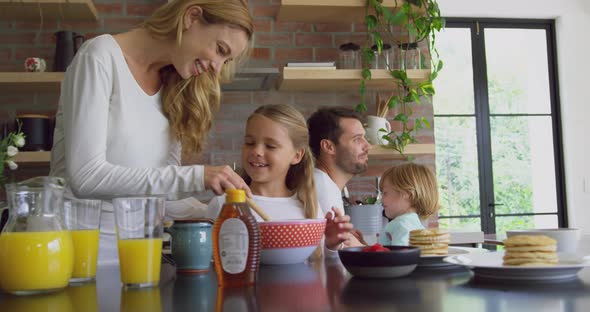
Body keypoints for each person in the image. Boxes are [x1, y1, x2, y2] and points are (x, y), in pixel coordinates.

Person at [49, 0, 254, 264]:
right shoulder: (99, 57)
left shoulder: (177, 88)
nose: (217, 66)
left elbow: (161, 195)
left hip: (140, 260)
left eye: (226, 60)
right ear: (191, 17)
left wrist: (217, 210)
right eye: (220, 49)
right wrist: (198, 176)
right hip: (78, 259)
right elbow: (86, 177)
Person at [207, 104, 355, 255]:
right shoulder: (223, 205)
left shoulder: (310, 209)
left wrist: (331, 246)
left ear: (297, 155)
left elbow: (319, 266)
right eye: (249, 143)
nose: (256, 151)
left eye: (270, 146)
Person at [307, 107, 371, 216]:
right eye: (356, 139)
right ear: (329, 147)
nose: (368, 147)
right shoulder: (322, 188)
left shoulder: (324, 184)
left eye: (364, 137)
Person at [378, 163, 439, 246]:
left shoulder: (401, 224)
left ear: (408, 194)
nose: (381, 199)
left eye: (385, 193)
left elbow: (399, 256)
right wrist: (362, 244)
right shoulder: (414, 223)